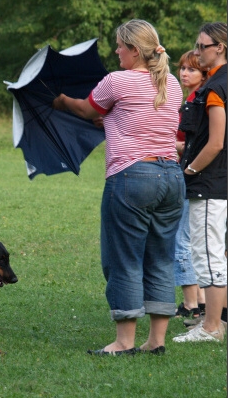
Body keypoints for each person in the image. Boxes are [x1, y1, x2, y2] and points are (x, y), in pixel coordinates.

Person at [53, 19, 184, 355]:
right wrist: (110, 119)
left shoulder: (117, 80)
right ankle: (156, 341)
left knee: (123, 257)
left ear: (134, 50)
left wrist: (63, 100)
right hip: (171, 175)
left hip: (132, 176)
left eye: (120, 46)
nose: (116, 52)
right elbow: (144, 118)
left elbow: (85, 108)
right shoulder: (172, 83)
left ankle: (124, 342)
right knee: (161, 257)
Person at [173, 22, 227, 343]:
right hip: (220, 183)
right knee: (218, 253)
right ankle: (217, 322)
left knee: (208, 255)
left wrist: (189, 170)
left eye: (202, 46)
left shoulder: (216, 88)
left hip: (209, 184)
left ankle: (210, 327)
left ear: (219, 47)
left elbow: (216, 142)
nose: (197, 52)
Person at [173, 50, 207, 320]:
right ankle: (200, 301)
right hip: (189, 173)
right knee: (193, 239)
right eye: (182, 68)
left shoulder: (201, 100)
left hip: (193, 177)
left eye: (191, 69)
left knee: (182, 241)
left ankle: (191, 304)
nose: (185, 73)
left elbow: (198, 144)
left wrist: (176, 147)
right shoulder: (190, 98)